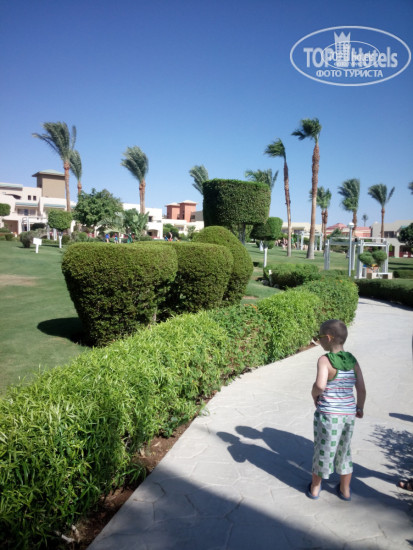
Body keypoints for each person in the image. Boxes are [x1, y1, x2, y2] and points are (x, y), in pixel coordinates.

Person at [307, 319, 366, 501]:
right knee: (344, 450)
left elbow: (320, 385)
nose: (318, 340)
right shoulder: (352, 360)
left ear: (329, 337)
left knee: (324, 450)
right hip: (348, 415)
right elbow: (361, 389)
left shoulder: (325, 360)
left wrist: (314, 394)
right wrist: (359, 407)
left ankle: (315, 488)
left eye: (319, 337)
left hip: (329, 415)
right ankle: (345, 489)